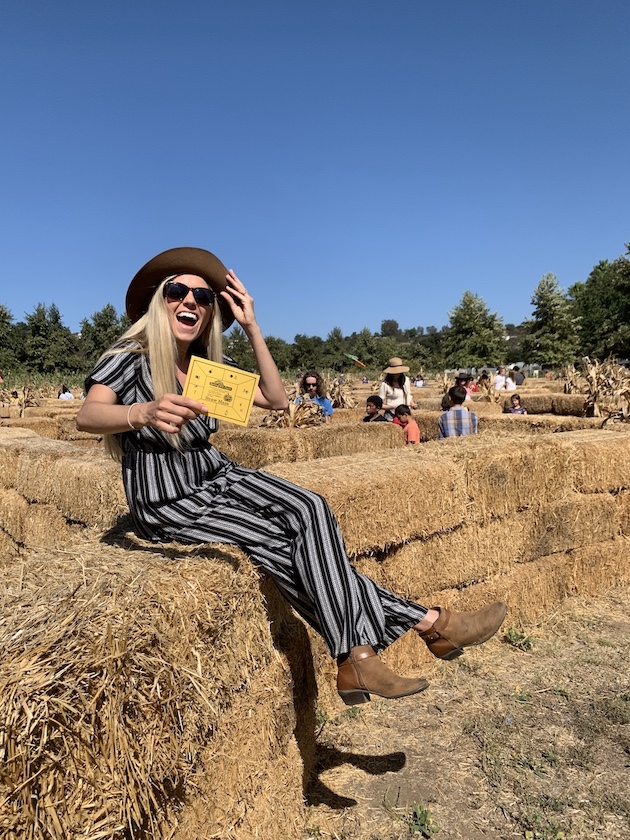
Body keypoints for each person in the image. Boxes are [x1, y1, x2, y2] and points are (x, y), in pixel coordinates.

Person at [76, 246, 506, 706]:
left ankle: (377, 651)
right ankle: (423, 627)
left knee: (312, 507)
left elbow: (277, 399)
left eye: (203, 297)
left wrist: (252, 326)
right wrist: (142, 411)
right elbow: (88, 415)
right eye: (178, 291)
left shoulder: (202, 370)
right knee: (280, 547)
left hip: (216, 475)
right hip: (168, 499)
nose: (191, 302)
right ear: (159, 301)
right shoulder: (131, 356)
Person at [379, 358, 417, 422]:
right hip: (391, 416)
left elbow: (408, 395)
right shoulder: (385, 384)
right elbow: (380, 404)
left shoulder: (406, 380)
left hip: (405, 415)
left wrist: (412, 404)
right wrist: (392, 407)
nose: (397, 374)